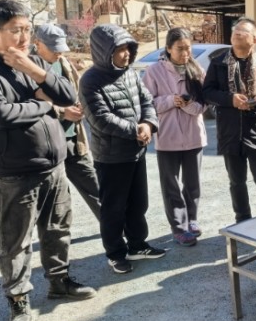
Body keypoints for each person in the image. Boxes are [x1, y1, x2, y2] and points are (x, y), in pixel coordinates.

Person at [0, 0, 96, 321]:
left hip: (54, 165)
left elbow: (67, 95)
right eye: (15, 30)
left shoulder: (34, 61)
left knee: (57, 229)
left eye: (27, 29)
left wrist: (37, 73)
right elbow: (1, 115)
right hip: (14, 173)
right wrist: (44, 104)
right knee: (16, 241)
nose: (24, 37)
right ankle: (18, 299)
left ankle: (59, 281)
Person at [81, 24, 164, 274]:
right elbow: (100, 118)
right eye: (120, 49)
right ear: (104, 51)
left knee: (138, 203)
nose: (126, 54)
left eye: (128, 48)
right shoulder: (90, 80)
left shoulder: (129, 74)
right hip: (111, 156)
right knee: (113, 208)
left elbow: (147, 101)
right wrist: (135, 130)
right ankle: (115, 253)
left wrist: (148, 124)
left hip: (136, 151)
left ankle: (137, 245)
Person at [202, 17, 256, 222]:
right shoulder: (218, 63)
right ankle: (242, 221)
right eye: (235, 30)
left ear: (254, 38)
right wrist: (230, 100)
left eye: (243, 30)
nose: (237, 32)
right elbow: (207, 92)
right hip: (229, 132)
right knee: (236, 182)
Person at [143, 27, 208, 247]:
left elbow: (203, 105)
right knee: (170, 185)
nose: (185, 53)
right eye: (180, 48)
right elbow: (146, 104)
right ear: (168, 48)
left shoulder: (197, 70)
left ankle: (192, 219)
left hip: (194, 136)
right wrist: (171, 100)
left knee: (192, 183)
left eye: (188, 48)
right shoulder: (154, 72)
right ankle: (179, 228)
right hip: (167, 138)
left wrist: (187, 105)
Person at [33, 24, 101, 220]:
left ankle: (115, 228)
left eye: (60, 48)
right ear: (38, 44)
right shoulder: (27, 67)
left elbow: (76, 90)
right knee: (57, 201)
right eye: (54, 48)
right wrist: (63, 112)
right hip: (47, 146)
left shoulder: (64, 63)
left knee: (95, 187)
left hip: (74, 139)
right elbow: (29, 104)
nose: (59, 52)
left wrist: (80, 106)